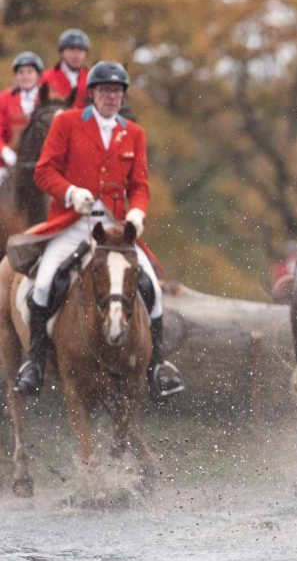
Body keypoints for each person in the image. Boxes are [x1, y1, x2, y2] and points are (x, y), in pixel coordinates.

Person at [13, 61, 184, 401]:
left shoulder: (133, 132)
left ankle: (159, 365)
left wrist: (137, 212)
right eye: (105, 90)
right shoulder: (67, 123)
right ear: (92, 93)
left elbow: (140, 186)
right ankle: (34, 362)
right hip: (73, 224)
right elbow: (44, 172)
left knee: (152, 287)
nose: (111, 97)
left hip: (116, 229)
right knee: (45, 283)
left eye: (117, 91)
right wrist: (71, 193)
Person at [0, 52, 44, 174]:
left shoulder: (48, 98)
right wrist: (4, 151)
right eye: (21, 72)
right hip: (10, 162)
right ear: (15, 76)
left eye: (30, 72)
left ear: (38, 75)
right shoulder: (4, 98)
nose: (25, 76)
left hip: (43, 161)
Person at [39, 29, 91, 109]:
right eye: (71, 49)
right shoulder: (46, 78)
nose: (76, 55)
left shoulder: (91, 78)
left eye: (80, 50)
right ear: (61, 52)